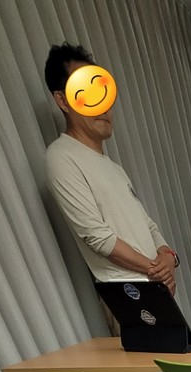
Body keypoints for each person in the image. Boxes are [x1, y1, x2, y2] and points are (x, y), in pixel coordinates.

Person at [43, 42, 178, 292]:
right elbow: (98, 237)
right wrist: (157, 270)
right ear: (62, 100)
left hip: (155, 287)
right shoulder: (61, 156)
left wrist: (168, 257)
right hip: (128, 292)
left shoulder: (114, 168)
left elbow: (147, 224)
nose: (102, 107)